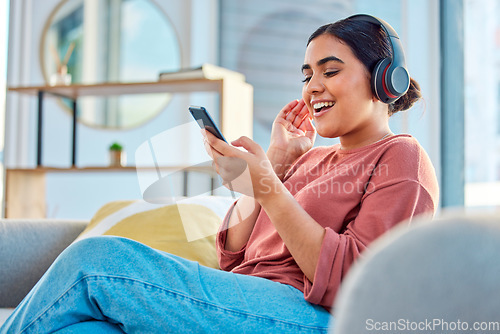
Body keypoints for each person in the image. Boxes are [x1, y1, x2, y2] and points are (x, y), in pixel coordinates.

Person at [1, 14, 438, 334]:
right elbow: (234, 255)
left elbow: (352, 282)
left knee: (94, 262)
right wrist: (277, 163)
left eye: (330, 71)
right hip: (249, 300)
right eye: (307, 75)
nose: (312, 87)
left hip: (313, 316)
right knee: (83, 329)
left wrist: (268, 186)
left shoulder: (401, 157)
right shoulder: (309, 160)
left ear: (385, 81)